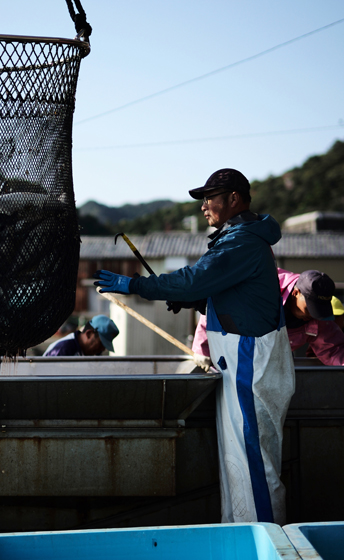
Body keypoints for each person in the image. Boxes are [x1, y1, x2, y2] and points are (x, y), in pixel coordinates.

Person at [94, 168, 294, 525]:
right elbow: (229, 294)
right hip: (239, 362)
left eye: (210, 198)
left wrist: (135, 285)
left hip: (248, 362)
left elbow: (195, 278)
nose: (204, 207)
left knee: (254, 466)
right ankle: (242, 541)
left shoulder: (242, 240)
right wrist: (195, 302)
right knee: (239, 465)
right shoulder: (240, 237)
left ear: (233, 198)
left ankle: (269, 547)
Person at [192, 269, 344, 366]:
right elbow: (217, 308)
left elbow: (336, 350)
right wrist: (202, 349)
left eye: (319, 309)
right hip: (235, 357)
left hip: (272, 367)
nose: (313, 314)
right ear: (296, 293)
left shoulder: (316, 317)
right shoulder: (263, 287)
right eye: (310, 307)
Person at [42, 315, 119, 356]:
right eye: (101, 343)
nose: (102, 349)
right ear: (89, 334)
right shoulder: (63, 350)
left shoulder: (91, 353)